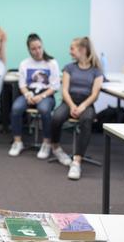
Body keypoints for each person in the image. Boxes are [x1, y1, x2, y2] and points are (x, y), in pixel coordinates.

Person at [50, 37, 103, 180]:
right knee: (56, 117)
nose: (70, 51)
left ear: (83, 50)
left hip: (86, 103)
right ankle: (56, 148)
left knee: (86, 119)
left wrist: (82, 106)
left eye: (72, 48)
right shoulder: (69, 68)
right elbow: (65, 91)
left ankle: (76, 162)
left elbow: (95, 94)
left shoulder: (96, 71)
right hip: (69, 102)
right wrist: (73, 106)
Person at [8, 34, 60, 158]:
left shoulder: (51, 63)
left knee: (44, 109)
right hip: (29, 93)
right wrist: (27, 95)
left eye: (39, 47)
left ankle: (46, 143)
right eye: (34, 49)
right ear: (29, 50)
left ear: (42, 46)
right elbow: (22, 85)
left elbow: (55, 86)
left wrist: (41, 97)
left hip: (46, 94)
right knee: (16, 108)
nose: (37, 51)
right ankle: (17, 142)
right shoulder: (24, 63)